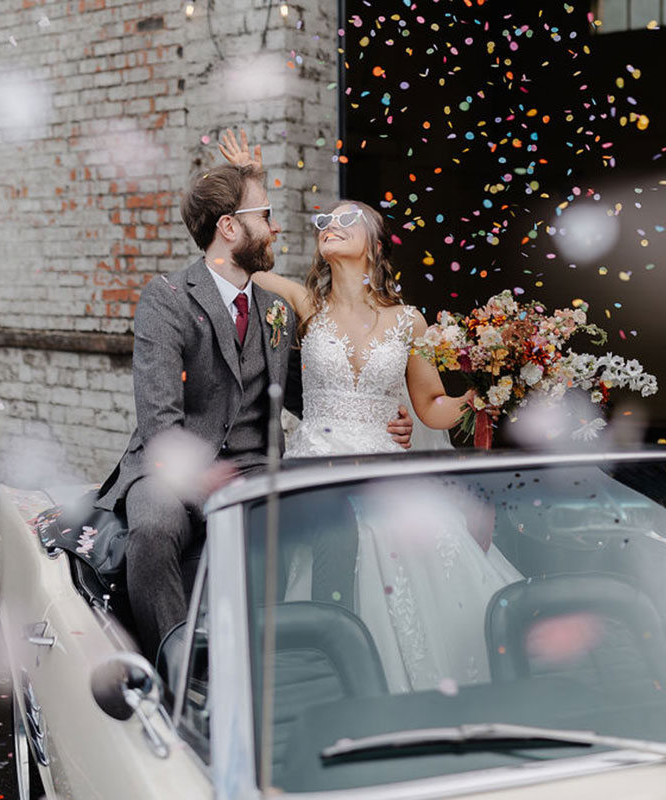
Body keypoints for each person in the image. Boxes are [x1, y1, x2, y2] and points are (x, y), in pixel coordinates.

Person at [219, 131, 522, 692]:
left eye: (346, 221)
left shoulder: (409, 321)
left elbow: (431, 408)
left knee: (415, 532)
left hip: (383, 463)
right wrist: (251, 180)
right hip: (318, 465)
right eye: (324, 223)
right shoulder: (305, 303)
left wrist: (484, 393)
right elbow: (244, 264)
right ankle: (322, 677)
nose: (330, 226)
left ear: (374, 245)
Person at [94, 158, 413, 659]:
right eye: (265, 216)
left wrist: (376, 416)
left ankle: (319, 657)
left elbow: (303, 394)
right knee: (154, 529)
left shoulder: (275, 310)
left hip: (252, 469)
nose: (276, 227)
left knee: (336, 521)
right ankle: (176, 667)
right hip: (168, 470)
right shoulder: (168, 298)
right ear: (229, 227)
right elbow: (159, 419)